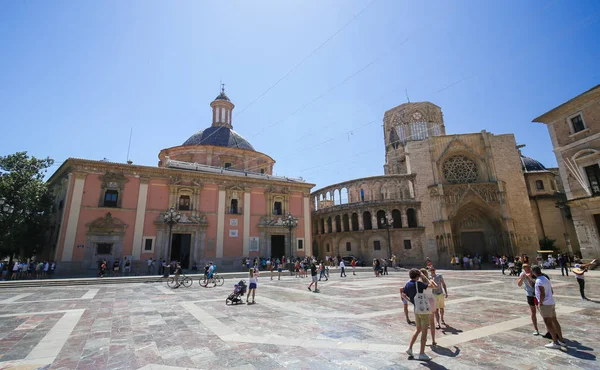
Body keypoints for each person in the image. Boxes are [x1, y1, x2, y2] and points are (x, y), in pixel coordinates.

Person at [401, 268, 437, 361]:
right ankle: (422, 353)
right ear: (418, 276)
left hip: (416, 309)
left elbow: (403, 295)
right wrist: (425, 276)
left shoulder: (408, 284)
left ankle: (410, 348)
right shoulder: (419, 284)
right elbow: (434, 286)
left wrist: (412, 302)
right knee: (424, 332)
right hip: (424, 310)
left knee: (418, 329)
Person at [532, 265, 566, 349]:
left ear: (533, 272)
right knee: (554, 320)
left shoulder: (539, 281)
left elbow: (542, 293)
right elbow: (551, 290)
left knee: (548, 323)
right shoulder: (545, 278)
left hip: (545, 304)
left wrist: (540, 302)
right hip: (551, 302)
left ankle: (555, 342)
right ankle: (561, 340)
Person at [517, 264, 541, 336]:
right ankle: (535, 329)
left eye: (527, 267)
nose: (526, 269)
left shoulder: (534, 273)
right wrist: (522, 278)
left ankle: (548, 330)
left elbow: (538, 282)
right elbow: (519, 284)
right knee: (533, 312)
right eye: (524, 268)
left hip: (537, 295)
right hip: (530, 295)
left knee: (542, 311)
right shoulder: (522, 274)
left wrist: (530, 277)